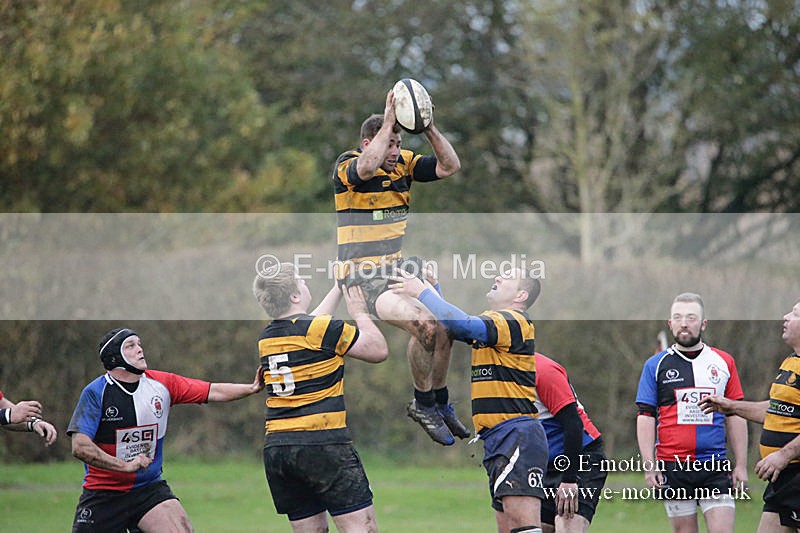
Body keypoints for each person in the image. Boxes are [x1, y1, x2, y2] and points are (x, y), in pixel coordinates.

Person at [331, 88, 467, 446]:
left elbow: (450, 166)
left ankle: (438, 401)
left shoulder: (404, 163)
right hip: (363, 277)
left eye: (397, 144)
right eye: (388, 144)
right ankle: (423, 403)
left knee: (444, 327)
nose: (395, 152)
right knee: (424, 325)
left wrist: (428, 127)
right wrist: (389, 119)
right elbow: (366, 167)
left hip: (394, 268)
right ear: (367, 142)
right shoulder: (348, 167)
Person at [390, 266, 547, 533]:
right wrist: (435, 287)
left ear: (521, 295)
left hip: (518, 434)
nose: (497, 277)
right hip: (499, 436)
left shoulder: (513, 321)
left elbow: (461, 323)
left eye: (507, 277)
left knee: (523, 525)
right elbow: (451, 326)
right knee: (508, 526)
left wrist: (424, 292)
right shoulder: (494, 321)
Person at [67, 327, 264, 533]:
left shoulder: (161, 384)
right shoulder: (95, 393)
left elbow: (212, 390)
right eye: (131, 346)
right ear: (115, 357)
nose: (140, 349)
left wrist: (251, 388)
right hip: (103, 494)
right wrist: (124, 466)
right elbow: (80, 447)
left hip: (148, 489)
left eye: (139, 344)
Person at [253, 262, 388, 533]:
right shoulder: (323, 330)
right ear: (294, 296)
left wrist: (339, 288)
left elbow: (311, 324)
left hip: (279, 450)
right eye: (302, 281)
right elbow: (377, 350)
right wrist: (360, 313)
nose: (305, 284)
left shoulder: (268, 338)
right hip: (322, 443)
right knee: (363, 528)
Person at [635, 292, 748, 533]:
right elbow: (645, 417)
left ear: (703, 323)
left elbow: (736, 414)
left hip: (714, 465)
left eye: (691, 317)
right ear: (670, 323)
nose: (684, 323)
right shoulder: (655, 365)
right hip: (673, 466)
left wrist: (741, 464)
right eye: (678, 317)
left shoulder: (723, 362)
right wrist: (649, 465)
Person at [699, 300, 800, 533]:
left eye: (794, 314)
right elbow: (776, 410)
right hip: (782, 479)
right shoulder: (790, 362)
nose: (785, 317)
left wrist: (783, 455)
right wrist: (732, 406)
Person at [534, 353, 607, 533]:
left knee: (567, 526)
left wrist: (569, 480)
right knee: (538, 528)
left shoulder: (543, 370)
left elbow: (574, 424)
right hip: (544, 463)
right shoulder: (500, 377)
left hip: (581, 456)